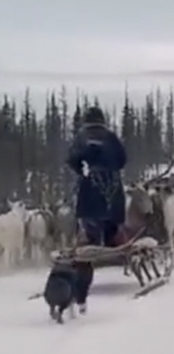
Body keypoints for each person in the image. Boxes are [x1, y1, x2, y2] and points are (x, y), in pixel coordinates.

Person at [65, 105, 127, 313]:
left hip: (89, 192)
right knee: (113, 225)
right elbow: (122, 160)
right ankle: (113, 239)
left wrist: (82, 171)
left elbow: (72, 160)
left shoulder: (81, 137)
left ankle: (80, 296)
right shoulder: (111, 137)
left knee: (87, 246)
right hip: (112, 189)